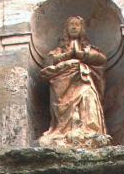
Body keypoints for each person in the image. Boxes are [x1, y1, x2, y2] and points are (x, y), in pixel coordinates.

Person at [39, 15, 111, 150]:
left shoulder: (88, 48)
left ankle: (89, 130)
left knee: (88, 97)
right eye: (71, 25)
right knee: (66, 106)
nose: (73, 27)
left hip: (84, 80)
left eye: (77, 25)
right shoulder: (59, 50)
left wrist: (81, 54)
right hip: (63, 85)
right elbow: (47, 62)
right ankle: (64, 131)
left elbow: (101, 59)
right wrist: (66, 55)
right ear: (66, 29)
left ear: (82, 28)